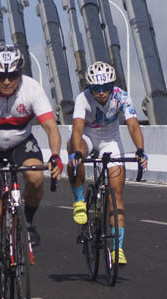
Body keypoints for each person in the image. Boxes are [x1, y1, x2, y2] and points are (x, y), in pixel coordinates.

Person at [0, 45, 63, 299]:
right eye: (0, 76)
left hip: (21, 143)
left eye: (12, 76)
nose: (6, 81)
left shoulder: (31, 88)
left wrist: (56, 156)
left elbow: (51, 127)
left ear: (20, 73)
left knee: (35, 176)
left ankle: (27, 220)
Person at [66, 61, 148, 265]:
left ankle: (117, 248)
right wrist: (77, 153)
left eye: (105, 88)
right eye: (96, 89)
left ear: (112, 86)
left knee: (116, 193)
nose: (101, 93)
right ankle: (79, 200)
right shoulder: (82, 99)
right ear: (90, 87)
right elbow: (77, 129)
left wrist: (140, 151)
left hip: (111, 141)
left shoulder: (122, 96)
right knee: (74, 151)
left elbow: (133, 125)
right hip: (87, 137)